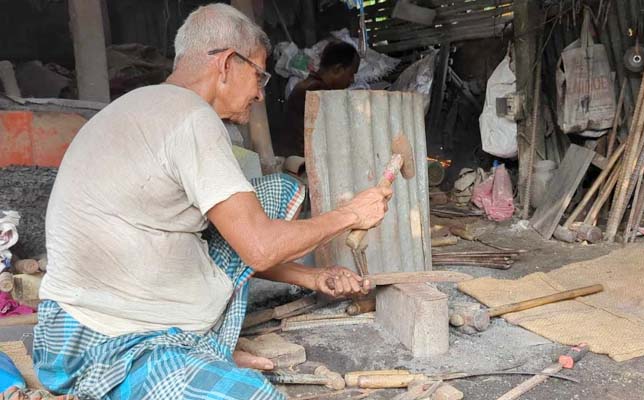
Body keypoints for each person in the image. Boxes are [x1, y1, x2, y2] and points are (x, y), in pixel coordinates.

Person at [31, 4, 390, 400]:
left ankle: (198, 350)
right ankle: (178, 359)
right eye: (258, 74)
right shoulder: (190, 118)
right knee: (257, 396)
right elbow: (258, 247)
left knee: (271, 195)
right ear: (224, 65)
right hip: (106, 342)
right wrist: (351, 213)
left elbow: (224, 242)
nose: (259, 92)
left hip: (66, 330)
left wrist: (311, 277)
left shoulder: (139, 105)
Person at [276, 41, 361, 157]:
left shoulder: (308, 85)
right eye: (351, 74)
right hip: (300, 162)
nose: (352, 80)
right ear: (338, 69)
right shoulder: (317, 91)